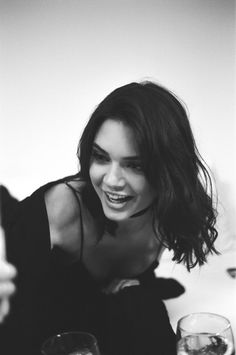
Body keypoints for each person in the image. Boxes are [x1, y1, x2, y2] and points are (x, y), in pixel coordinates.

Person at [0, 81, 218, 355]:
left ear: (167, 170)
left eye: (135, 165)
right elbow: (11, 325)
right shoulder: (59, 211)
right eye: (101, 157)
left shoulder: (167, 208)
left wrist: (136, 291)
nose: (111, 181)